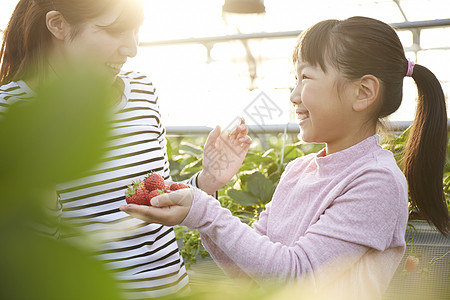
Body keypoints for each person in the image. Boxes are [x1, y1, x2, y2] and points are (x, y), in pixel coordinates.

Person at [120, 16, 449, 299]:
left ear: (362, 92)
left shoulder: (377, 181)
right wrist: (207, 189)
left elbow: (296, 274)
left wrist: (204, 211)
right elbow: (252, 272)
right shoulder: (299, 170)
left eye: (306, 78)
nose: (293, 95)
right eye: (295, 79)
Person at [0, 0, 251, 299]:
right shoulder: (10, 111)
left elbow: (154, 201)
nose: (131, 49)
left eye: (136, 32)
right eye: (115, 30)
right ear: (58, 24)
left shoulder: (142, 92)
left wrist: (206, 182)